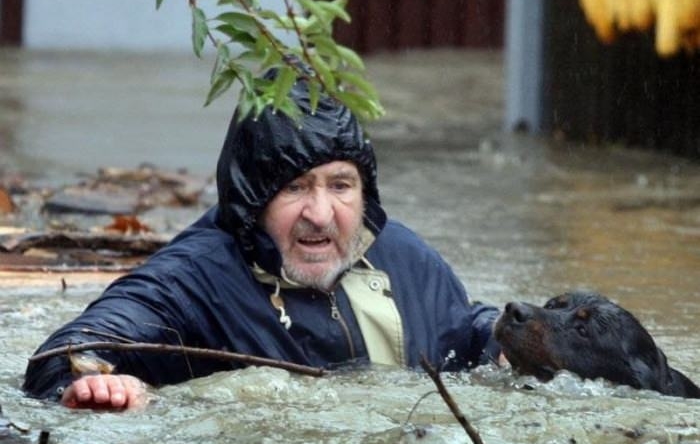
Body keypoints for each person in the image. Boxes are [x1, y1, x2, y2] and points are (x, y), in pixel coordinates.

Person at [22, 85, 504, 409]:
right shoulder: (196, 277)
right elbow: (61, 359)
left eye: (340, 186)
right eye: (295, 188)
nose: (320, 213)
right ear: (252, 198)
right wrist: (96, 383)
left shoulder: (401, 253)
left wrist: (516, 342)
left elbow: (462, 335)